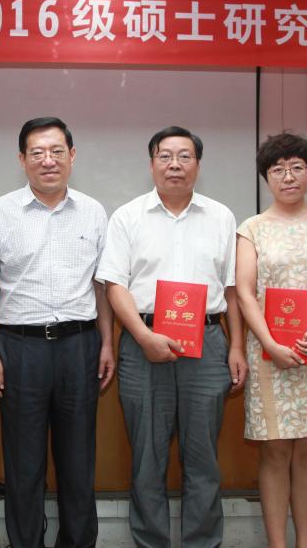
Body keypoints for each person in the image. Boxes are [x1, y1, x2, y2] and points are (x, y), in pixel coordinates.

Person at [0, 117, 114, 548]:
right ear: (22, 159)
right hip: (20, 347)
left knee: (78, 461)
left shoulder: (93, 211)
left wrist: (107, 342)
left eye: (56, 151)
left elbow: (102, 286)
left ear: (72, 156)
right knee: (23, 464)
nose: (47, 160)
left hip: (79, 346)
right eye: (37, 152)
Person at [97, 125, 245, 548]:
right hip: (142, 342)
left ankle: (203, 542)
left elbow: (231, 289)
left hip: (208, 343)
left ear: (198, 164)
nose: (174, 165)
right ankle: (151, 542)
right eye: (165, 156)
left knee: (203, 459)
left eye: (184, 156)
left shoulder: (221, 217)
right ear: (152, 164)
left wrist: (236, 346)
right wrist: (143, 336)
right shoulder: (127, 217)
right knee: (147, 458)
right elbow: (115, 285)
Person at [235, 133, 307, 548]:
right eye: (278, 169)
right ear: (266, 177)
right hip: (269, 353)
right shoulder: (251, 229)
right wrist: (268, 342)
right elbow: (244, 292)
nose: (288, 177)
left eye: (297, 168)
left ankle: (305, 542)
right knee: (274, 452)